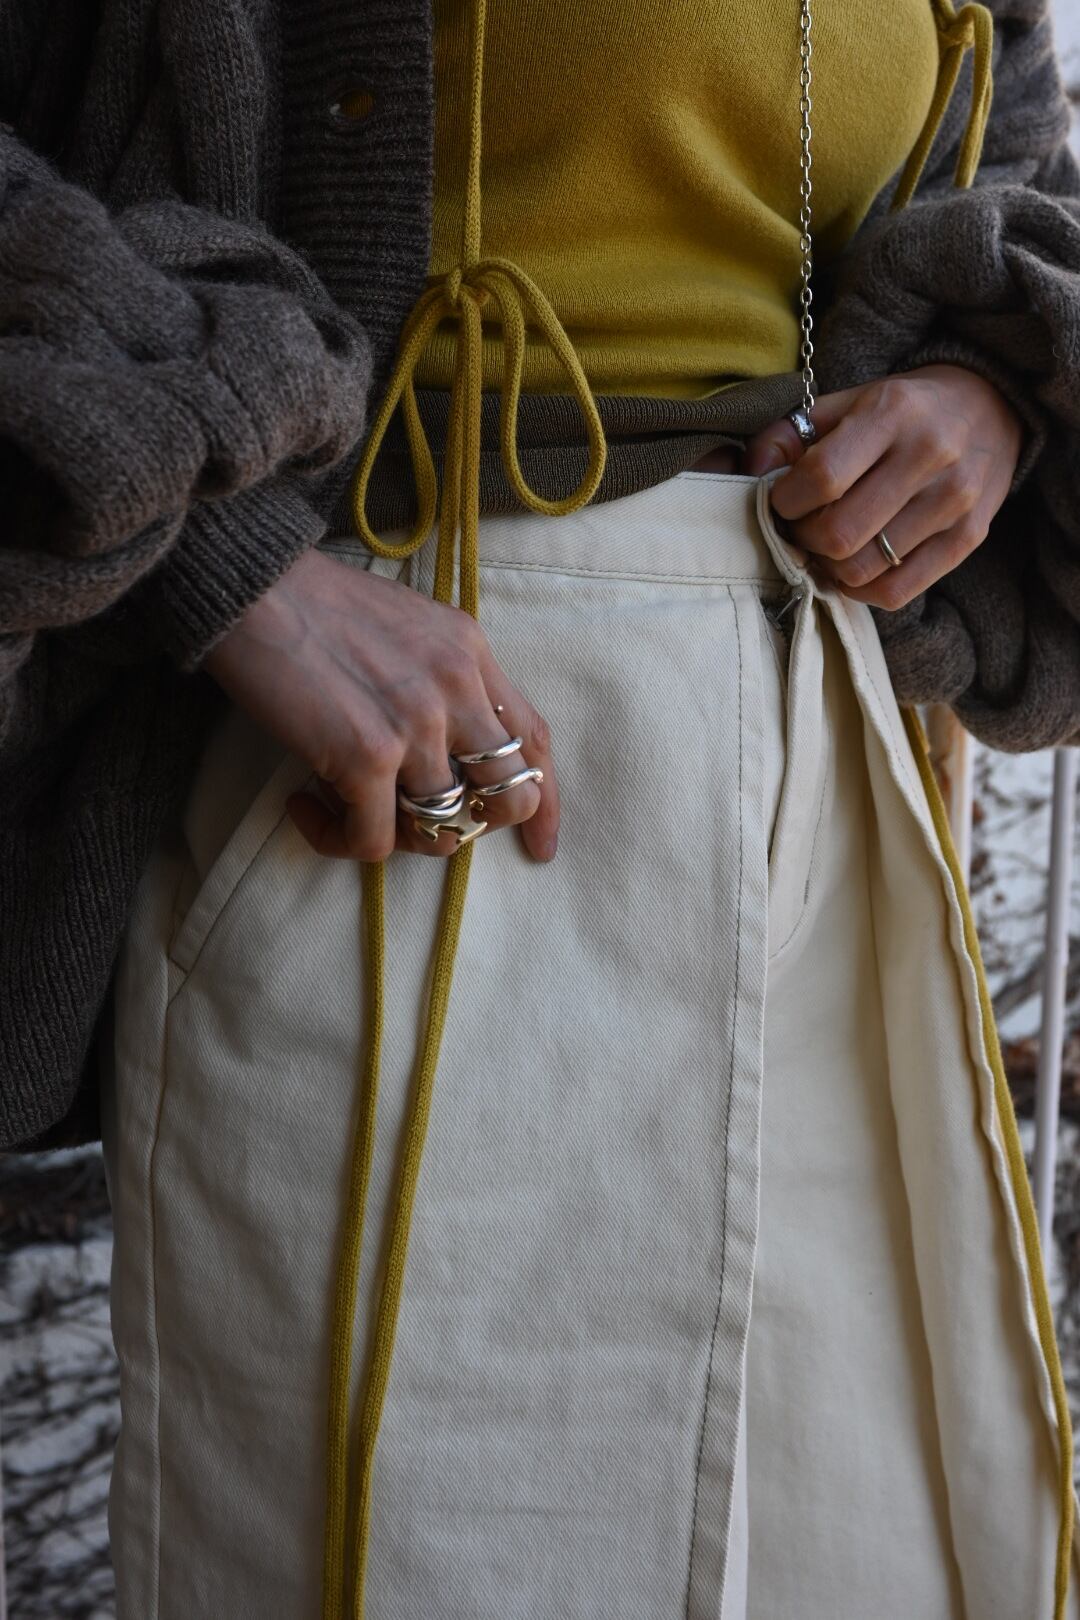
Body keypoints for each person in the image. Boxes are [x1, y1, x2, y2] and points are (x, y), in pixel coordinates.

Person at [2, 0, 1080, 1615]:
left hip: (826, 746)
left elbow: (1013, 177)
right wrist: (237, 573)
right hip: (393, 782)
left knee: (852, 1548)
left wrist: (992, 397)